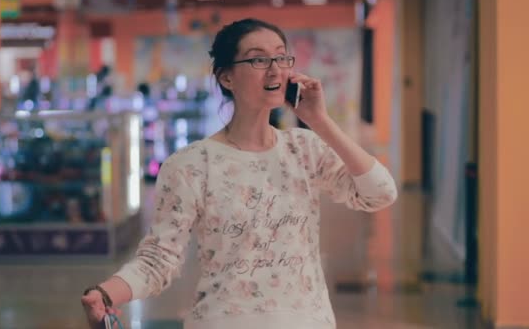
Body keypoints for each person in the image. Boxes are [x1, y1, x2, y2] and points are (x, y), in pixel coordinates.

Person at [81, 18, 398, 329]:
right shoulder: (191, 164)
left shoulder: (305, 149)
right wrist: (105, 293)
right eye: (259, 59)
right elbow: (159, 259)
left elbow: (380, 193)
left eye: (281, 56)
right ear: (226, 78)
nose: (275, 68)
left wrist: (320, 121)